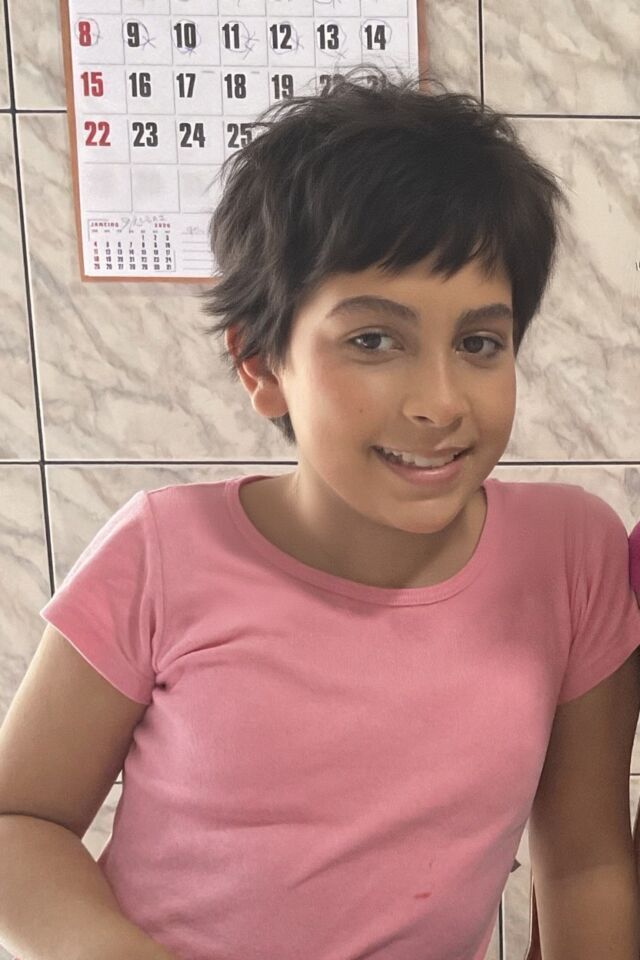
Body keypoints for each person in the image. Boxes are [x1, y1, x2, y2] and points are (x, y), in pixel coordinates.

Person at [1, 66, 639, 960]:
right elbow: (20, 820)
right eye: (373, 340)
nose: (439, 401)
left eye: (479, 342)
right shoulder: (161, 552)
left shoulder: (573, 554)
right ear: (262, 366)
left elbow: (585, 860)